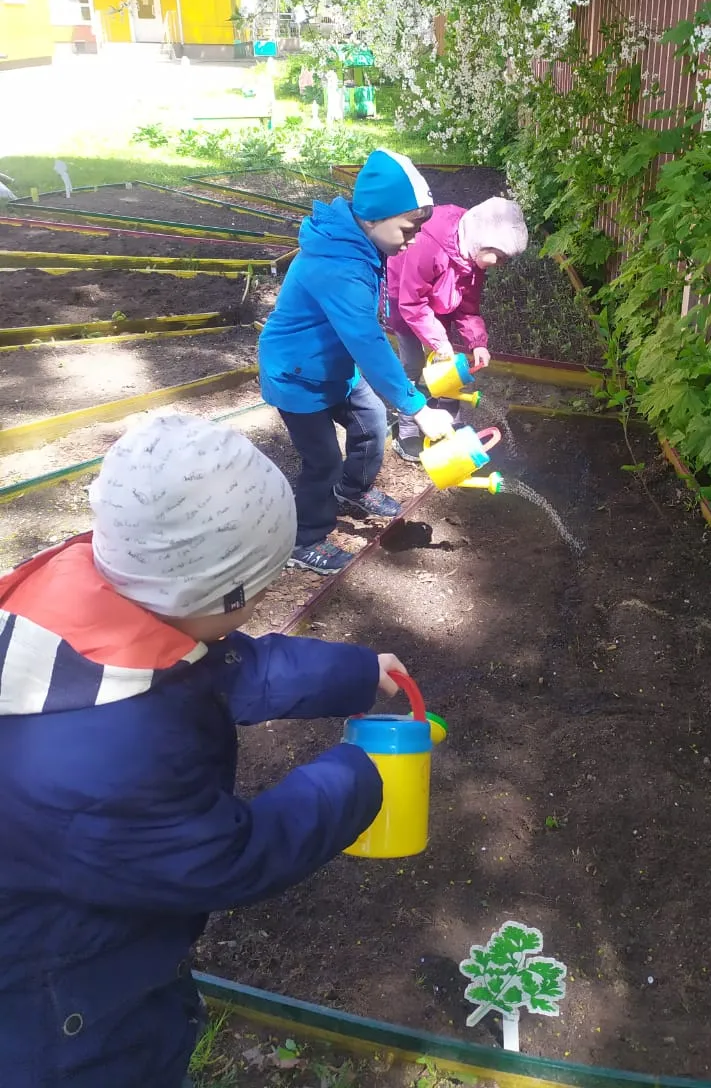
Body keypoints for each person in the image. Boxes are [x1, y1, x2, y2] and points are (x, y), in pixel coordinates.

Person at [0, 414, 409, 1088]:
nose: (259, 609)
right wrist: (357, 775)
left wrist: (357, 672)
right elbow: (226, 857)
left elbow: (230, 669)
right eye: (257, 592)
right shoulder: (107, 761)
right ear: (215, 595)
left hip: (78, 927)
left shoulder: (98, 596)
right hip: (58, 1014)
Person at [258, 148, 456, 576]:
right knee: (323, 460)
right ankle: (304, 538)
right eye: (409, 227)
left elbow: (361, 332)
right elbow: (367, 339)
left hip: (334, 367)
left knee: (369, 423)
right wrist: (418, 407)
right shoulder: (339, 265)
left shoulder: (363, 244)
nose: (414, 238)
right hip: (297, 375)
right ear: (373, 218)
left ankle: (354, 488)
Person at [386, 196, 529, 460]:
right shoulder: (429, 244)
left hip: (440, 298)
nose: (499, 266)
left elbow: (468, 304)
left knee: (448, 366)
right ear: (484, 243)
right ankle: (407, 431)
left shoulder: (473, 252)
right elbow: (412, 303)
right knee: (412, 365)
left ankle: (449, 422)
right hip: (405, 301)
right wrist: (440, 343)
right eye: (498, 258)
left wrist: (478, 342)